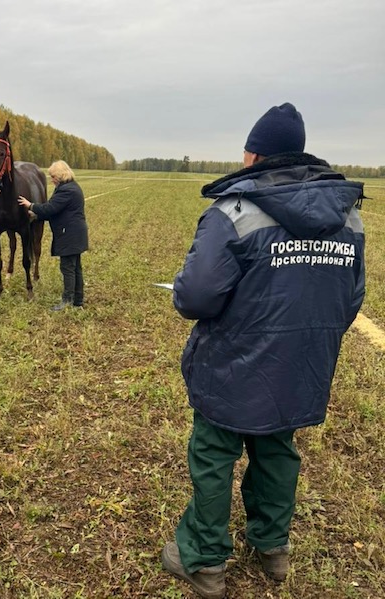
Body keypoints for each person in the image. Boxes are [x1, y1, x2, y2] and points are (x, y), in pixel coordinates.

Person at [161, 103, 365, 599]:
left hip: (232, 366)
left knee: (213, 455)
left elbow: (195, 297)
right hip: (301, 368)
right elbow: (350, 299)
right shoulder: (349, 218)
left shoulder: (233, 211)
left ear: (253, 155)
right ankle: (272, 547)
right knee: (277, 451)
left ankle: (203, 560)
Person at [17, 160, 88, 311]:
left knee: (68, 268)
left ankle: (67, 300)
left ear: (61, 175)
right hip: (76, 234)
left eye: (53, 176)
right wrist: (36, 216)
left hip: (69, 234)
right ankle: (78, 301)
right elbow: (57, 211)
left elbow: (50, 208)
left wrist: (31, 205)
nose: (51, 179)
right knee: (76, 268)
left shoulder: (66, 190)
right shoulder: (71, 187)